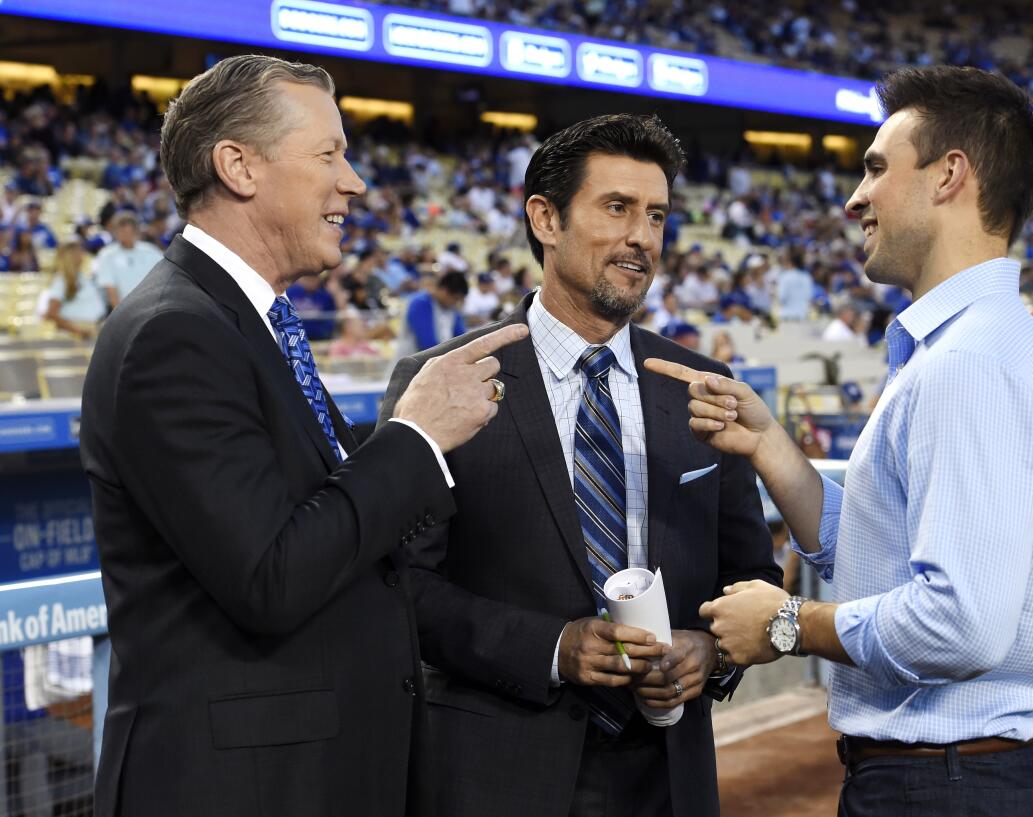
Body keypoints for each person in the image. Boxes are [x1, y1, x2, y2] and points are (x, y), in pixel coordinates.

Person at [79, 54, 527, 817]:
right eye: (329, 153)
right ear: (239, 166)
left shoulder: (248, 321)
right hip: (239, 789)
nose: (353, 181)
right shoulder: (174, 334)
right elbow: (272, 575)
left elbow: (330, 525)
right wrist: (416, 435)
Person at [647, 66, 1033, 816]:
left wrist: (788, 623)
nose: (855, 197)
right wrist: (772, 447)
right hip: (954, 777)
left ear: (950, 176)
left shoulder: (968, 362)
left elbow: (961, 622)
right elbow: (888, 551)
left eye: (877, 168)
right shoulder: (974, 345)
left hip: (947, 783)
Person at [378, 113, 781, 817]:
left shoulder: (704, 385)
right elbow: (401, 588)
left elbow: (750, 578)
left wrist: (708, 652)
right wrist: (554, 647)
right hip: (495, 776)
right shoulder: (443, 380)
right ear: (546, 219)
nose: (641, 238)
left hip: (669, 775)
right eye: (617, 208)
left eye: (656, 215)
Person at [93, 212, 163, 309]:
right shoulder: (106, 255)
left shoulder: (151, 251)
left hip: (151, 308)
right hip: (122, 311)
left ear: (135, 231)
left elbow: (162, 280)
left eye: (127, 232)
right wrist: (120, 315)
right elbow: (110, 289)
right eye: (120, 231)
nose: (124, 235)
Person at [43, 238, 106, 339]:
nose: (83, 253)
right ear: (71, 255)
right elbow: (51, 313)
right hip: (76, 334)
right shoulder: (62, 280)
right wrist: (77, 330)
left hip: (91, 329)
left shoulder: (81, 276)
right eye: (80, 251)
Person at [404, 270, 467, 351]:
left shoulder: (451, 308)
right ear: (444, 291)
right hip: (413, 360)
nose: (456, 303)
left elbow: (462, 337)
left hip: (441, 358)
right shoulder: (420, 303)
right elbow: (428, 345)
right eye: (455, 299)